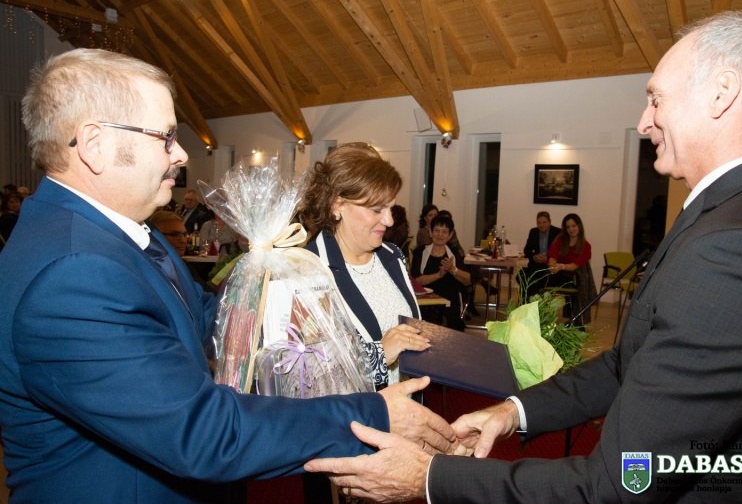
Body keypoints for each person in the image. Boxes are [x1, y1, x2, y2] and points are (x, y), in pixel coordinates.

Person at [304, 11, 742, 503]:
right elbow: (626, 366)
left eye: (656, 98)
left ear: (722, 92)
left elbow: (618, 484)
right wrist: (513, 411)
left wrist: (430, 479)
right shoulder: (740, 214)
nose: (644, 121)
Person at [0, 48, 460, 503]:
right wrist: (373, 414)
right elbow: (204, 434)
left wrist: (274, 290)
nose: (181, 154)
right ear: (94, 144)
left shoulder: (126, 235)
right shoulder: (72, 273)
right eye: (165, 137)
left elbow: (205, 321)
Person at [302, 143, 430, 389]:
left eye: (391, 208)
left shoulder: (392, 256)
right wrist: (380, 355)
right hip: (360, 412)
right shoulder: (309, 270)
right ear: (338, 205)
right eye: (377, 209)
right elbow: (309, 373)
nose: (389, 220)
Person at [410, 215, 471, 331]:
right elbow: (416, 280)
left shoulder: (453, 253)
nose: (440, 235)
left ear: (450, 235)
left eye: (444, 232)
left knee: (452, 325)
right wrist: (438, 275)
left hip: (449, 297)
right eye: (437, 230)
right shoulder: (420, 252)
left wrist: (453, 269)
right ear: (431, 233)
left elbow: (467, 279)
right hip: (425, 298)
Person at [546, 213, 597, 325]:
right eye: (568, 227)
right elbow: (552, 256)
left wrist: (561, 266)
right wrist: (552, 264)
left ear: (579, 226)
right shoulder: (560, 239)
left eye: (573, 226)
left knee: (542, 281)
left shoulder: (585, 246)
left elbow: (574, 266)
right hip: (558, 274)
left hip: (573, 277)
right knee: (535, 276)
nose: (571, 229)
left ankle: (577, 322)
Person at [517, 210, 561, 301]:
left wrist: (547, 258)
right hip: (535, 264)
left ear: (549, 222)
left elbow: (561, 252)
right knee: (520, 276)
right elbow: (527, 249)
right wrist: (534, 256)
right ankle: (529, 301)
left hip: (549, 266)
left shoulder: (557, 232)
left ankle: (527, 302)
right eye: (539, 223)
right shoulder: (533, 232)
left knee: (532, 279)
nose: (542, 225)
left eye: (544, 222)